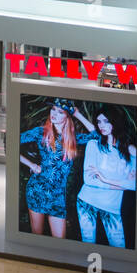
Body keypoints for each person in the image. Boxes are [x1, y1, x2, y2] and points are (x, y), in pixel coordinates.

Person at [19, 101, 97, 237]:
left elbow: (96, 136)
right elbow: (11, 141)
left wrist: (78, 114)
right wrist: (32, 165)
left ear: (67, 117)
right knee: (36, 236)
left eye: (60, 112)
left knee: (59, 239)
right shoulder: (41, 132)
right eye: (53, 110)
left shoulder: (74, 139)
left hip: (57, 197)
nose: (54, 114)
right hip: (37, 191)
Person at [76, 108, 137, 248]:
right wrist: (122, 185)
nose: (101, 125)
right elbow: (89, 179)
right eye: (99, 122)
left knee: (119, 246)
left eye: (106, 121)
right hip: (87, 201)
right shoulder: (93, 145)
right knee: (88, 244)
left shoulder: (130, 151)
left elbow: (134, 185)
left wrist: (105, 180)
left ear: (116, 122)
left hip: (112, 207)